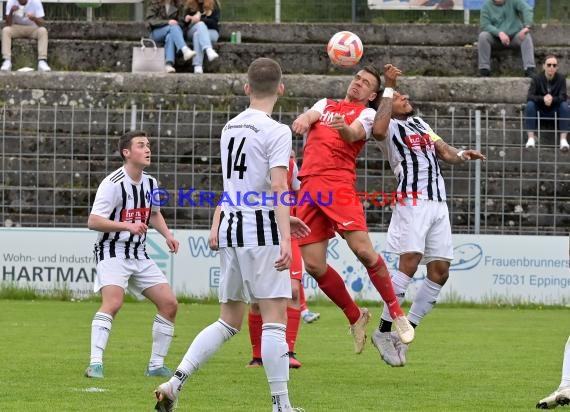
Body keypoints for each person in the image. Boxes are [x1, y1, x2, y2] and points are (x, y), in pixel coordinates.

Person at [154, 57, 308, 412]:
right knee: (274, 317)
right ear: (281, 90)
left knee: (228, 320)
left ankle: (174, 383)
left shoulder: (229, 127)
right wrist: (285, 236)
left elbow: (234, 186)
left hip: (231, 227)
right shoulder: (277, 130)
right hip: (260, 228)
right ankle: (281, 406)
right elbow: (278, 185)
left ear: (247, 88)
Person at [291, 66, 414, 356]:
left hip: (338, 185)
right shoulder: (326, 103)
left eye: (365, 83)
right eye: (357, 78)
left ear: (373, 94)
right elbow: (312, 115)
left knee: (365, 253)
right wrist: (303, 117)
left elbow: (353, 134)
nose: (357, 84)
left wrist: (343, 128)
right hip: (309, 186)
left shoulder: (369, 114)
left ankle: (396, 313)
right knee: (314, 265)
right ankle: (355, 316)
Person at [370, 64, 486, 367]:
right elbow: (378, 131)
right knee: (408, 262)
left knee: (440, 271)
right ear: (386, 100)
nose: (404, 96)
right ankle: (383, 330)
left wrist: (462, 154)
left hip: (438, 203)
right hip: (412, 201)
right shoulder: (386, 124)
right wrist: (389, 85)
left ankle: (403, 333)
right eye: (398, 96)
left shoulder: (420, 123)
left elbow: (444, 150)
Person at [85, 130, 180, 379]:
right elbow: (93, 221)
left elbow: (154, 214)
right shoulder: (113, 183)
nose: (148, 149)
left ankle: (156, 365)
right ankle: (95, 364)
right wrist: (127, 226)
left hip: (138, 253)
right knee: (114, 302)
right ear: (127, 152)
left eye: (148, 144)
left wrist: (168, 235)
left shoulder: (151, 182)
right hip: (112, 250)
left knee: (169, 304)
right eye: (141, 145)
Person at [246, 150, 316, 370]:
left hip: (286, 232)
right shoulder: (250, 162)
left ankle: (289, 352)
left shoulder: (291, 165)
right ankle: (257, 357)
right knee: (257, 299)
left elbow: (299, 193)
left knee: (293, 291)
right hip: (259, 234)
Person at [478, 0, 535, 77]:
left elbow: (526, 9)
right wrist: (499, 33)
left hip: (514, 38)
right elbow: (485, 25)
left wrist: (527, 26)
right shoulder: (486, 6)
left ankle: (529, 69)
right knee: (483, 36)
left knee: (526, 36)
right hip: (496, 40)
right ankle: (484, 70)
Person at [524, 55, 570, 152]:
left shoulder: (561, 78)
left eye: (554, 65)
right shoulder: (536, 78)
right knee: (530, 105)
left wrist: (552, 99)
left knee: (565, 106)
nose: (551, 67)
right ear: (544, 66)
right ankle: (531, 138)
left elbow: (563, 96)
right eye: (549, 65)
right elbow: (530, 96)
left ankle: (563, 140)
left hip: (555, 109)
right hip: (540, 109)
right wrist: (543, 98)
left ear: (557, 67)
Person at [146, 0, 196, 74]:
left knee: (170, 36)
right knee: (173, 26)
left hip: (172, 31)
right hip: (156, 33)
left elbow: (181, 23)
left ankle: (168, 64)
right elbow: (150, 21)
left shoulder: (178, 4)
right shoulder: (154, 3)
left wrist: (185, 21)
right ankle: (184, 49)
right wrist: (168, 22)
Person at [1, 0, 50, 72]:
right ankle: (7, 61)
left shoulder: (35, 2)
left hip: (32, 27)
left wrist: (34, 18)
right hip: (17, 27)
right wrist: (11, 11)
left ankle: (42, 61)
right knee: (6, 30)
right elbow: (8, 24)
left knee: (43, 31)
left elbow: (42, 23)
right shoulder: (11, 2)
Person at [183, 0, 220, 74]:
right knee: (200, 25)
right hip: (192, 31)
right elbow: (184, 24)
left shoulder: (213, 3)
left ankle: (198, 66)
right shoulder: (189, 4)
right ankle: (209, 49)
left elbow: (214, 23)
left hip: (211, 32)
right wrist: (187, 20)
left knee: (198, 34)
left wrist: (200, 20)